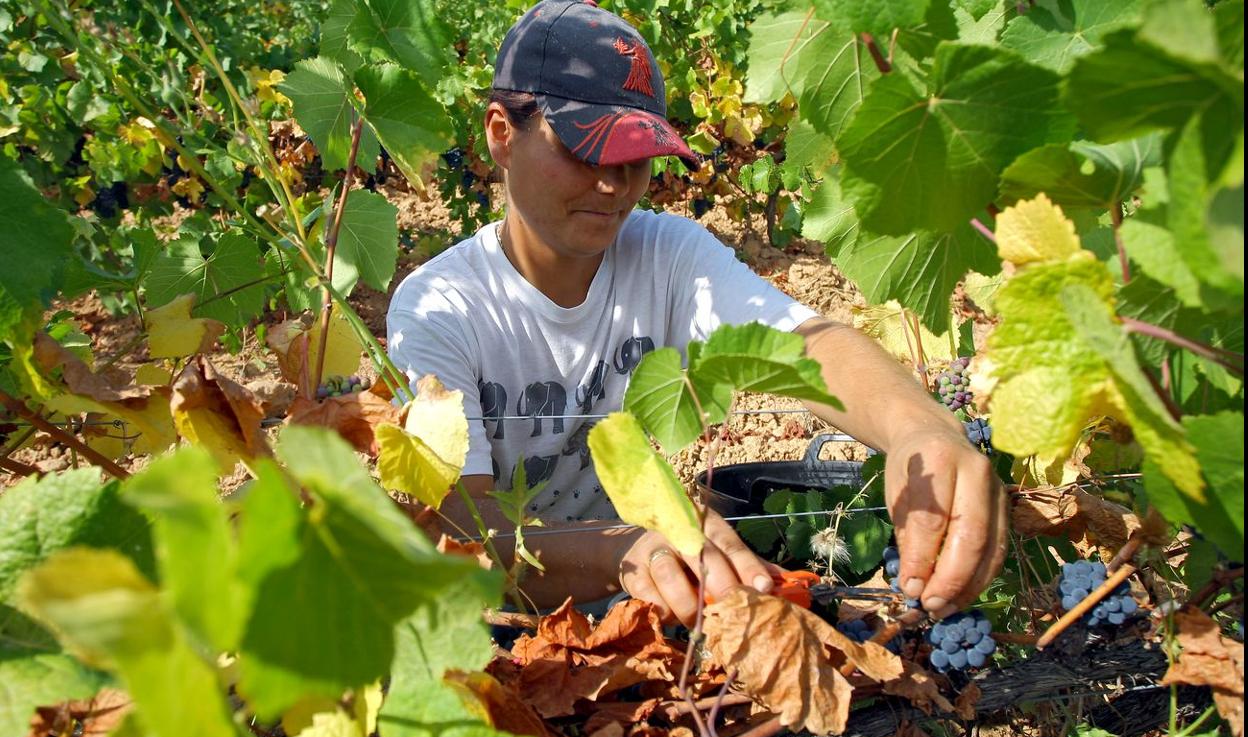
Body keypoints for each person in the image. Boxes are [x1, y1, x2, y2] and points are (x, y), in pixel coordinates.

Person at [386, 0, 1008, 626]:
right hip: (493, 626)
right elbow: (459, 529)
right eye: (584, 149)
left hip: (638, 610)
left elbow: (805, 347)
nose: (616, 184)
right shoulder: (440, 309)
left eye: (635, 155)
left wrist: (920, 430)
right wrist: (626, 548)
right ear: (501, 132)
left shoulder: (667, 255)